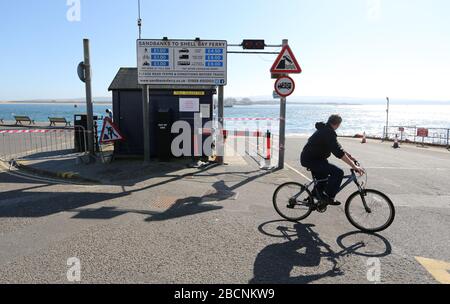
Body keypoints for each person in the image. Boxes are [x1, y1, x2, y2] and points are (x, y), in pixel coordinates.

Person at [300, 114, 364, 206]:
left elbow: (337, 147)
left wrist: (350, 157)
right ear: (338, 124)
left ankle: (314, 196)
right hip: (311, 160)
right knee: (338, 172)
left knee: (324, 178)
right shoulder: (328, 132)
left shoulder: (326, 130)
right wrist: (353, 166)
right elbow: (338, 152)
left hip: (315, 159)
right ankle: (328, 197)